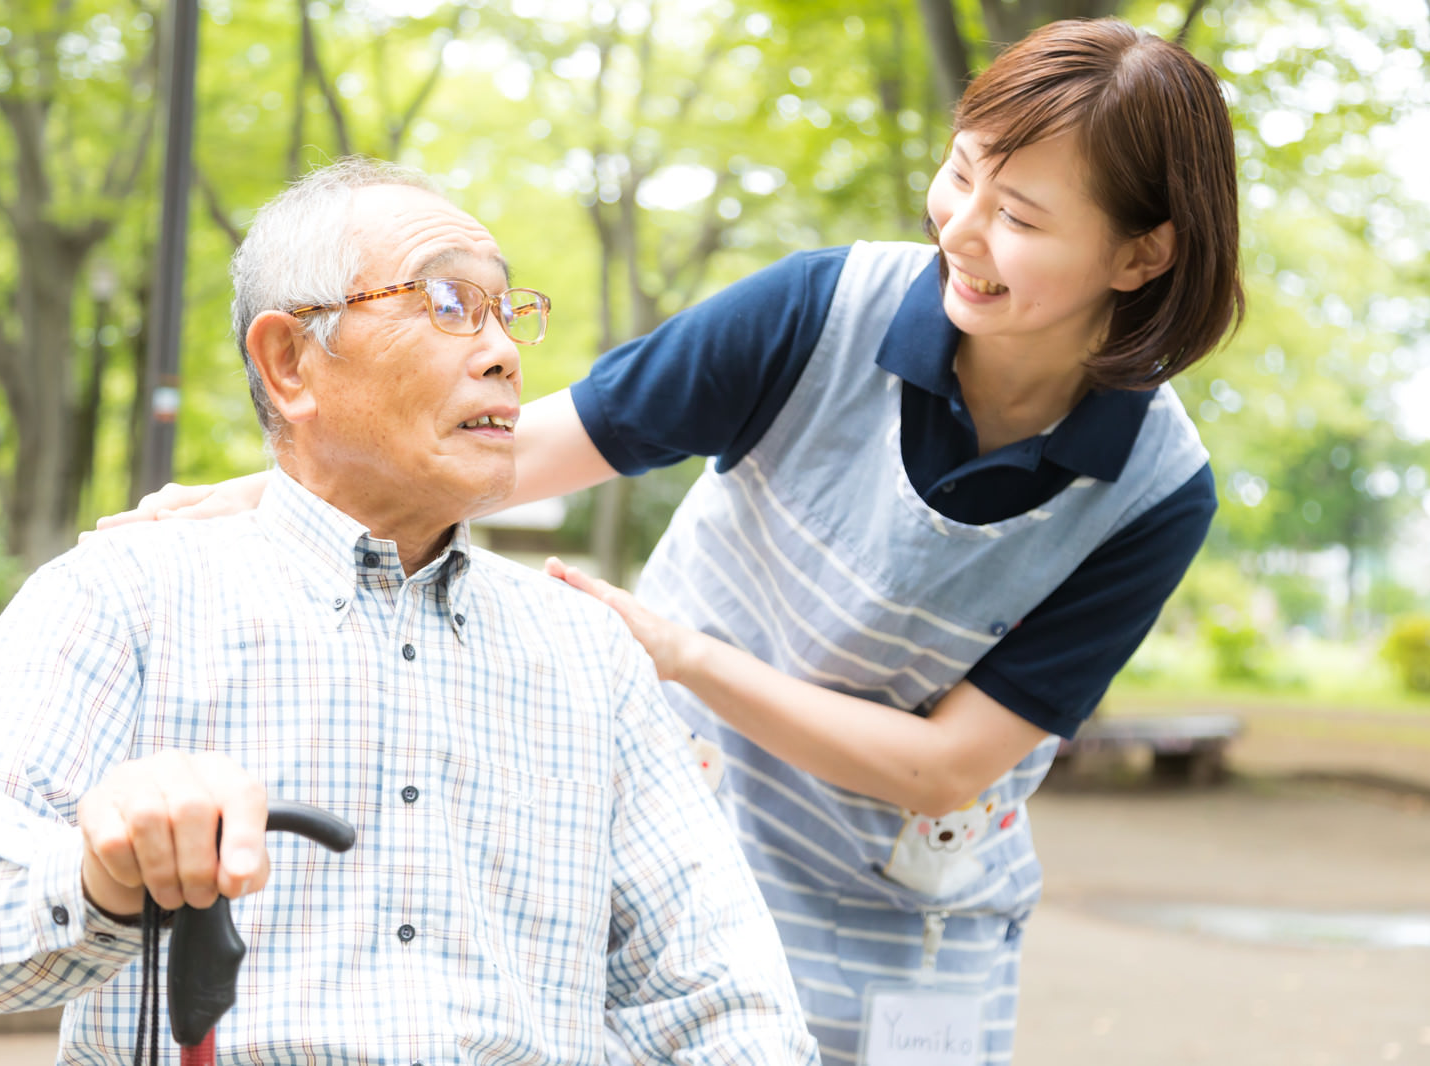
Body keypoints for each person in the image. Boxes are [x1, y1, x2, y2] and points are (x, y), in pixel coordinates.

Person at [93, 18, 1243, 1064]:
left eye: (1022, 218)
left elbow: (942, 763)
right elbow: (520, 453)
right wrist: (273, 495)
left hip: (908, 908)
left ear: (1140, 255)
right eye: (959, 173)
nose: (962, 229)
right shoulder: (817, 312)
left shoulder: (1155, 488)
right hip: (681, 829)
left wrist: (682, 653)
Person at [0, 159, 820, 1066]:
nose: (501, 354)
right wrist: (101, 873)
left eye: (503, 313)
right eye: (447, 304)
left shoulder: (587, 653)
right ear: (290, 362)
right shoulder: (127, 594)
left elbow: (719, 997)